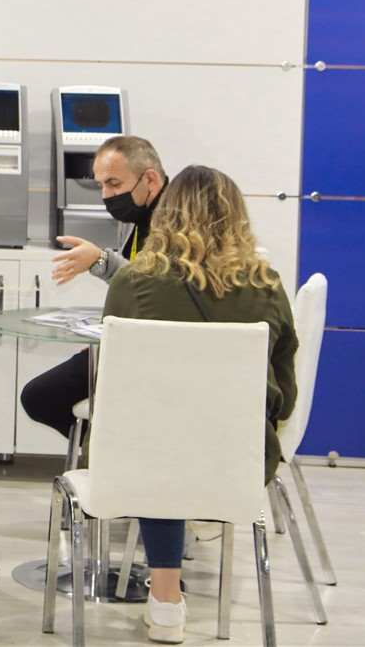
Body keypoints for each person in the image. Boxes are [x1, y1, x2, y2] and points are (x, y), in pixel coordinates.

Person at [101, 165, 297, 644]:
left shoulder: (134, 281)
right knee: (182, 440)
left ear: (165, 214)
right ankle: (207, 511)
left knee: (161, 436)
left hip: (148, 457)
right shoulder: (266, 284)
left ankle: (166, 599)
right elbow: (285, 394)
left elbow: (114, 381)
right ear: (236, 216)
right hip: (239, 456)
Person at [21, 135, 168, 440]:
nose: (106, 195)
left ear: (150, 179)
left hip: (153, 353)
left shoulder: (173, 224)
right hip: (128, 341)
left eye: (114, 184)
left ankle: (112, 451)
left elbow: (159, 290)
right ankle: (112, 450)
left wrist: (101, 261)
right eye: (101, 185)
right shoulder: (139, 216)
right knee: (38, 397)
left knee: (41, 396)